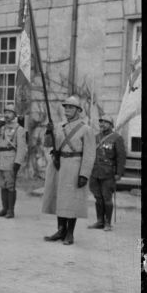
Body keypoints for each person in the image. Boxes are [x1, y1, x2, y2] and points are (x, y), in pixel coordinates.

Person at [41, 96, 96, 245]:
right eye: (65, 107)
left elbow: (90, 153)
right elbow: (48, 145)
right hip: (59, 165)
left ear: (78, 110)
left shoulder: (86, 129)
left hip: (75, 165)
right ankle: (60, 230)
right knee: (60, 197)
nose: (67, 110)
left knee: (72, 199)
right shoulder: (59, 126)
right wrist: (48, 132)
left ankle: (70, 233)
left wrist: (84, 174)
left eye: (71, 107)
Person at [88, 115, 126, 231]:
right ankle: (100, 221)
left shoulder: (117, 138)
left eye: (105, 122)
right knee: (98, 197)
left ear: (111, 125)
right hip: (95, 172)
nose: (102, 124)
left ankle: (108, 223)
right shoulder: (95, 137)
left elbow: (121, 157)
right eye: (101, 122)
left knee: (107, 198)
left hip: (108, 173)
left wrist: (119, 173)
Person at [0, 105, 28, 218]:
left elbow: (22, 148)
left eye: (10, 113)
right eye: (5, 112)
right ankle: (4, 208)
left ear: (14, 115)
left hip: (10, 160)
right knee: (2, 185)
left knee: (10, 186)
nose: (7, 115)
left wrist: (18, 162)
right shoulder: (1, 127)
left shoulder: (19, 129)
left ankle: (11, 211)